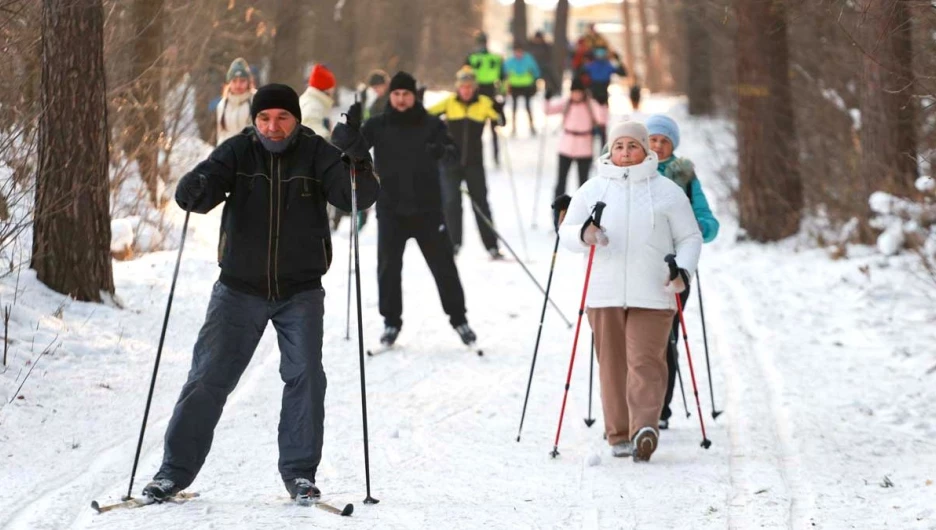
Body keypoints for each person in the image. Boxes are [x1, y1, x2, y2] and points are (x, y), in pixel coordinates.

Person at [141, 84, 380, 504]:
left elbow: (355, 198)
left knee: (306, 377)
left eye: (282, 118)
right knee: (207, 379)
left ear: (296, 119)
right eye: (265, 118)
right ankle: (172, 474)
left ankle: (300, 475)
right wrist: (191, 189)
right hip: (238, 288)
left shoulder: (316, 152)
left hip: (300, 290)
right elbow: (201, 190)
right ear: (254, 120)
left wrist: (359, 158)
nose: (273, 127)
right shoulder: (237, 151)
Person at [558, 121, 701, 461]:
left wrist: (683, 272)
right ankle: (618, 433)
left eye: (632, 146)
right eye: (619, 146)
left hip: (654, 290)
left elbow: (690, 238)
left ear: (645, 151)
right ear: (610, 150)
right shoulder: (593, 189)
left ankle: (645, 428)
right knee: (612, 364)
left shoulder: (667, 191)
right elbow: (567, 231)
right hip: (603, 293)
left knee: (646, 362)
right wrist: (585, 235)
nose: (625, 153)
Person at [345, 71, 478, 348]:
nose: (401, 99)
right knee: (388, 268)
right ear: (390, 96)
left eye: (406, 94)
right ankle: (391, 322)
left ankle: (459, 319)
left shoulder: (430, 124)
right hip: (391, 209)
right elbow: (351, 151)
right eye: (396, 94)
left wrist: (441, 150)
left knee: (444, 266)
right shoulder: (378, 124)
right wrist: (351, 127)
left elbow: (453, 153)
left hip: (428, 210)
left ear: (414, 95)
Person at [645, 114, 720, 430]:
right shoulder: (632, 169)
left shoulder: (683, 174)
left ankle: (661, 409)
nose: (658, 146)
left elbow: (709, 222)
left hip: (675, 267)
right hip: (639, 265)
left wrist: (697, 228)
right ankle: (637, 402)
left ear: (673, 145)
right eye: (653, 139)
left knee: (666, 337)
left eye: (664, 141)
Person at [428, 67, 504, 259]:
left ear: (474, 87)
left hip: (474, 163)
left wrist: (499, 109)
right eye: (463, 87)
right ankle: (453, 244)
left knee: (481, 203)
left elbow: (501, 122)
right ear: (458, 87)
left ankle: (492, 246)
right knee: (451, 203)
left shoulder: (484, 103)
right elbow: (425, 117)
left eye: (469, 87)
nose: (466, 90)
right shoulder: (449, 102)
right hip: (450, 162)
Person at [546, 77, 607, 199]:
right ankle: (557, 209)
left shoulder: (590, 104)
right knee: (561, 181)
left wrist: (602, 104)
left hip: (584, 148)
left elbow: (602, 119)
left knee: (583, 182)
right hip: (566, 147)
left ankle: (582, 209)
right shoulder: (567, 103)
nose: (577, 95)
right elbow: (548, 111)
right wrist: (547, 99)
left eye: (579, 92)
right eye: (574, 92)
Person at [466, 31, 506, 163]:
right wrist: (501, 92)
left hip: (478, 94)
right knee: (491, 128)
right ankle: (494, 156)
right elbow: (503, 77)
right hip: (490, 92)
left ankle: (485, 157)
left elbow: (463, 78)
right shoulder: (495, 58)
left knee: (478, 128)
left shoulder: (472, 58)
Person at [216, 57, 256, 145]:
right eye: (234, 81)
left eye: (242, 81)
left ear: (248, 82)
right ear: (229, 82)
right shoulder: (222, 105)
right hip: (228, 155)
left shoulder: (256, 101)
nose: (238, 85)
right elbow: (220, 135)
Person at [503, 43, 541, 136]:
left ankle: (532, 126)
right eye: (516, 51)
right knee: (514, 108)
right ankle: (513, 128)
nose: (518, 54)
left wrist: (536, 80)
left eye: (520, 51)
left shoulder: (528, 59)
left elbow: (536, 70)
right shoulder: (510, 61)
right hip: (515, 86)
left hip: (526, 86)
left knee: (528, 107)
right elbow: (505, 73)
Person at [299, 64, 337, 140]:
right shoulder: (313, 104)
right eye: (331, 88)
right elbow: (310, 126)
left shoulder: (315, 101)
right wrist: (329, 140)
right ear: (326, 89)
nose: (333, 91)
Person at [527, 31, 560, 100]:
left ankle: (553, 92)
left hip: (544, 66)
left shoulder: (546, 46)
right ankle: (531, 93)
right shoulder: (531, 45)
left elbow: (550, 56)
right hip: (534, 67)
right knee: (531, 80)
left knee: (551, 79)